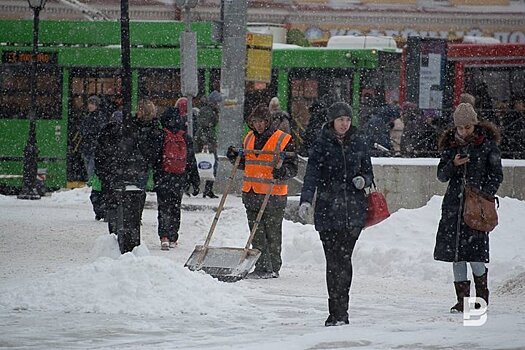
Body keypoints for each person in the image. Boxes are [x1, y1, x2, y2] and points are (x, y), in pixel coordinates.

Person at [298, 101, 374, 327]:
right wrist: (305, 200)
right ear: (332, 121)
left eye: (348, 120)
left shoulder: (359, 142)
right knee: (333, 262)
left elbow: (368, 172)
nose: (345, 124)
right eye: (341, 120)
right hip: (328, 211)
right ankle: (336, 311)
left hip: (353, 211)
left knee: (344, 260)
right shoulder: (321, 144)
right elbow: (311, 175)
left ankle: (343, 310)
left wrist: (364, 180)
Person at [433, 103, 503, 313]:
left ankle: (482, 297)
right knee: (456, 255)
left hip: (477, 208)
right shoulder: (450, 146)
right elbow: (441, 176)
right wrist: (453, 164)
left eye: (467, 127)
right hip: (454, 207)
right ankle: (462, 300)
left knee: (476, 255)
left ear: (475, 125)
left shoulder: (487, 145)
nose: (464, 131)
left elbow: (496, 175)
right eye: (460, 128)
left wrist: (484, 194)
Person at [227, 104, 298, 279]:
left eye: (262, 121)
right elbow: (247, 163)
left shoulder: (283, 139)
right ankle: (261, 266)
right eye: (255, 121)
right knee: (256, 232)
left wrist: (283, 172)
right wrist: (234, 157)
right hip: (251, 193)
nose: (258, 125)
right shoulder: (249, 138)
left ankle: (273, 267)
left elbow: (293, 166)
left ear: (268, 121)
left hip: (273, 194)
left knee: (272, 232)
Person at [95, 111, 148, 253]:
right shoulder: (128, 134)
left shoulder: (104, 134)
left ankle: (114, 235)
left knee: (112, 206)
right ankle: (125, 238)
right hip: (123, 177)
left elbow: (98, 157)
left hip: (109, 177)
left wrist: (104, 174)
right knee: (127, 208)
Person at [152, 106, 200, 250]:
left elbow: (154, 158)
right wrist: (195, 181)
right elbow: (191, 161)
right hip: (179, 178)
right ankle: (173, 237)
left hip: (163, 177)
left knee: (163, 207)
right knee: (175, 206)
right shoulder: (185, 137)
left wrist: (155, 175)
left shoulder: (160, 135)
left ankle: (164, 236)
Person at [80, 95, 108, 221]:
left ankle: (94, 186)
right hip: (89, 149)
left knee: (93, 172)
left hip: (92, 149)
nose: (90, 105)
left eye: (92, 103)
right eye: (89, 103)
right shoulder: (93, 117)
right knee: (91, 171)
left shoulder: (97, 118)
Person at [195, 91, 222, 198]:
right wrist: (205, 142)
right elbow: (204, 126)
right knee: (212, 163)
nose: (219, 104)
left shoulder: (210, 110)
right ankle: (204, 189)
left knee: (211, 164)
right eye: (218, 102)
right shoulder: (207, 111)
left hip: (208, 140)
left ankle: (205, 189)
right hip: (206, 141)